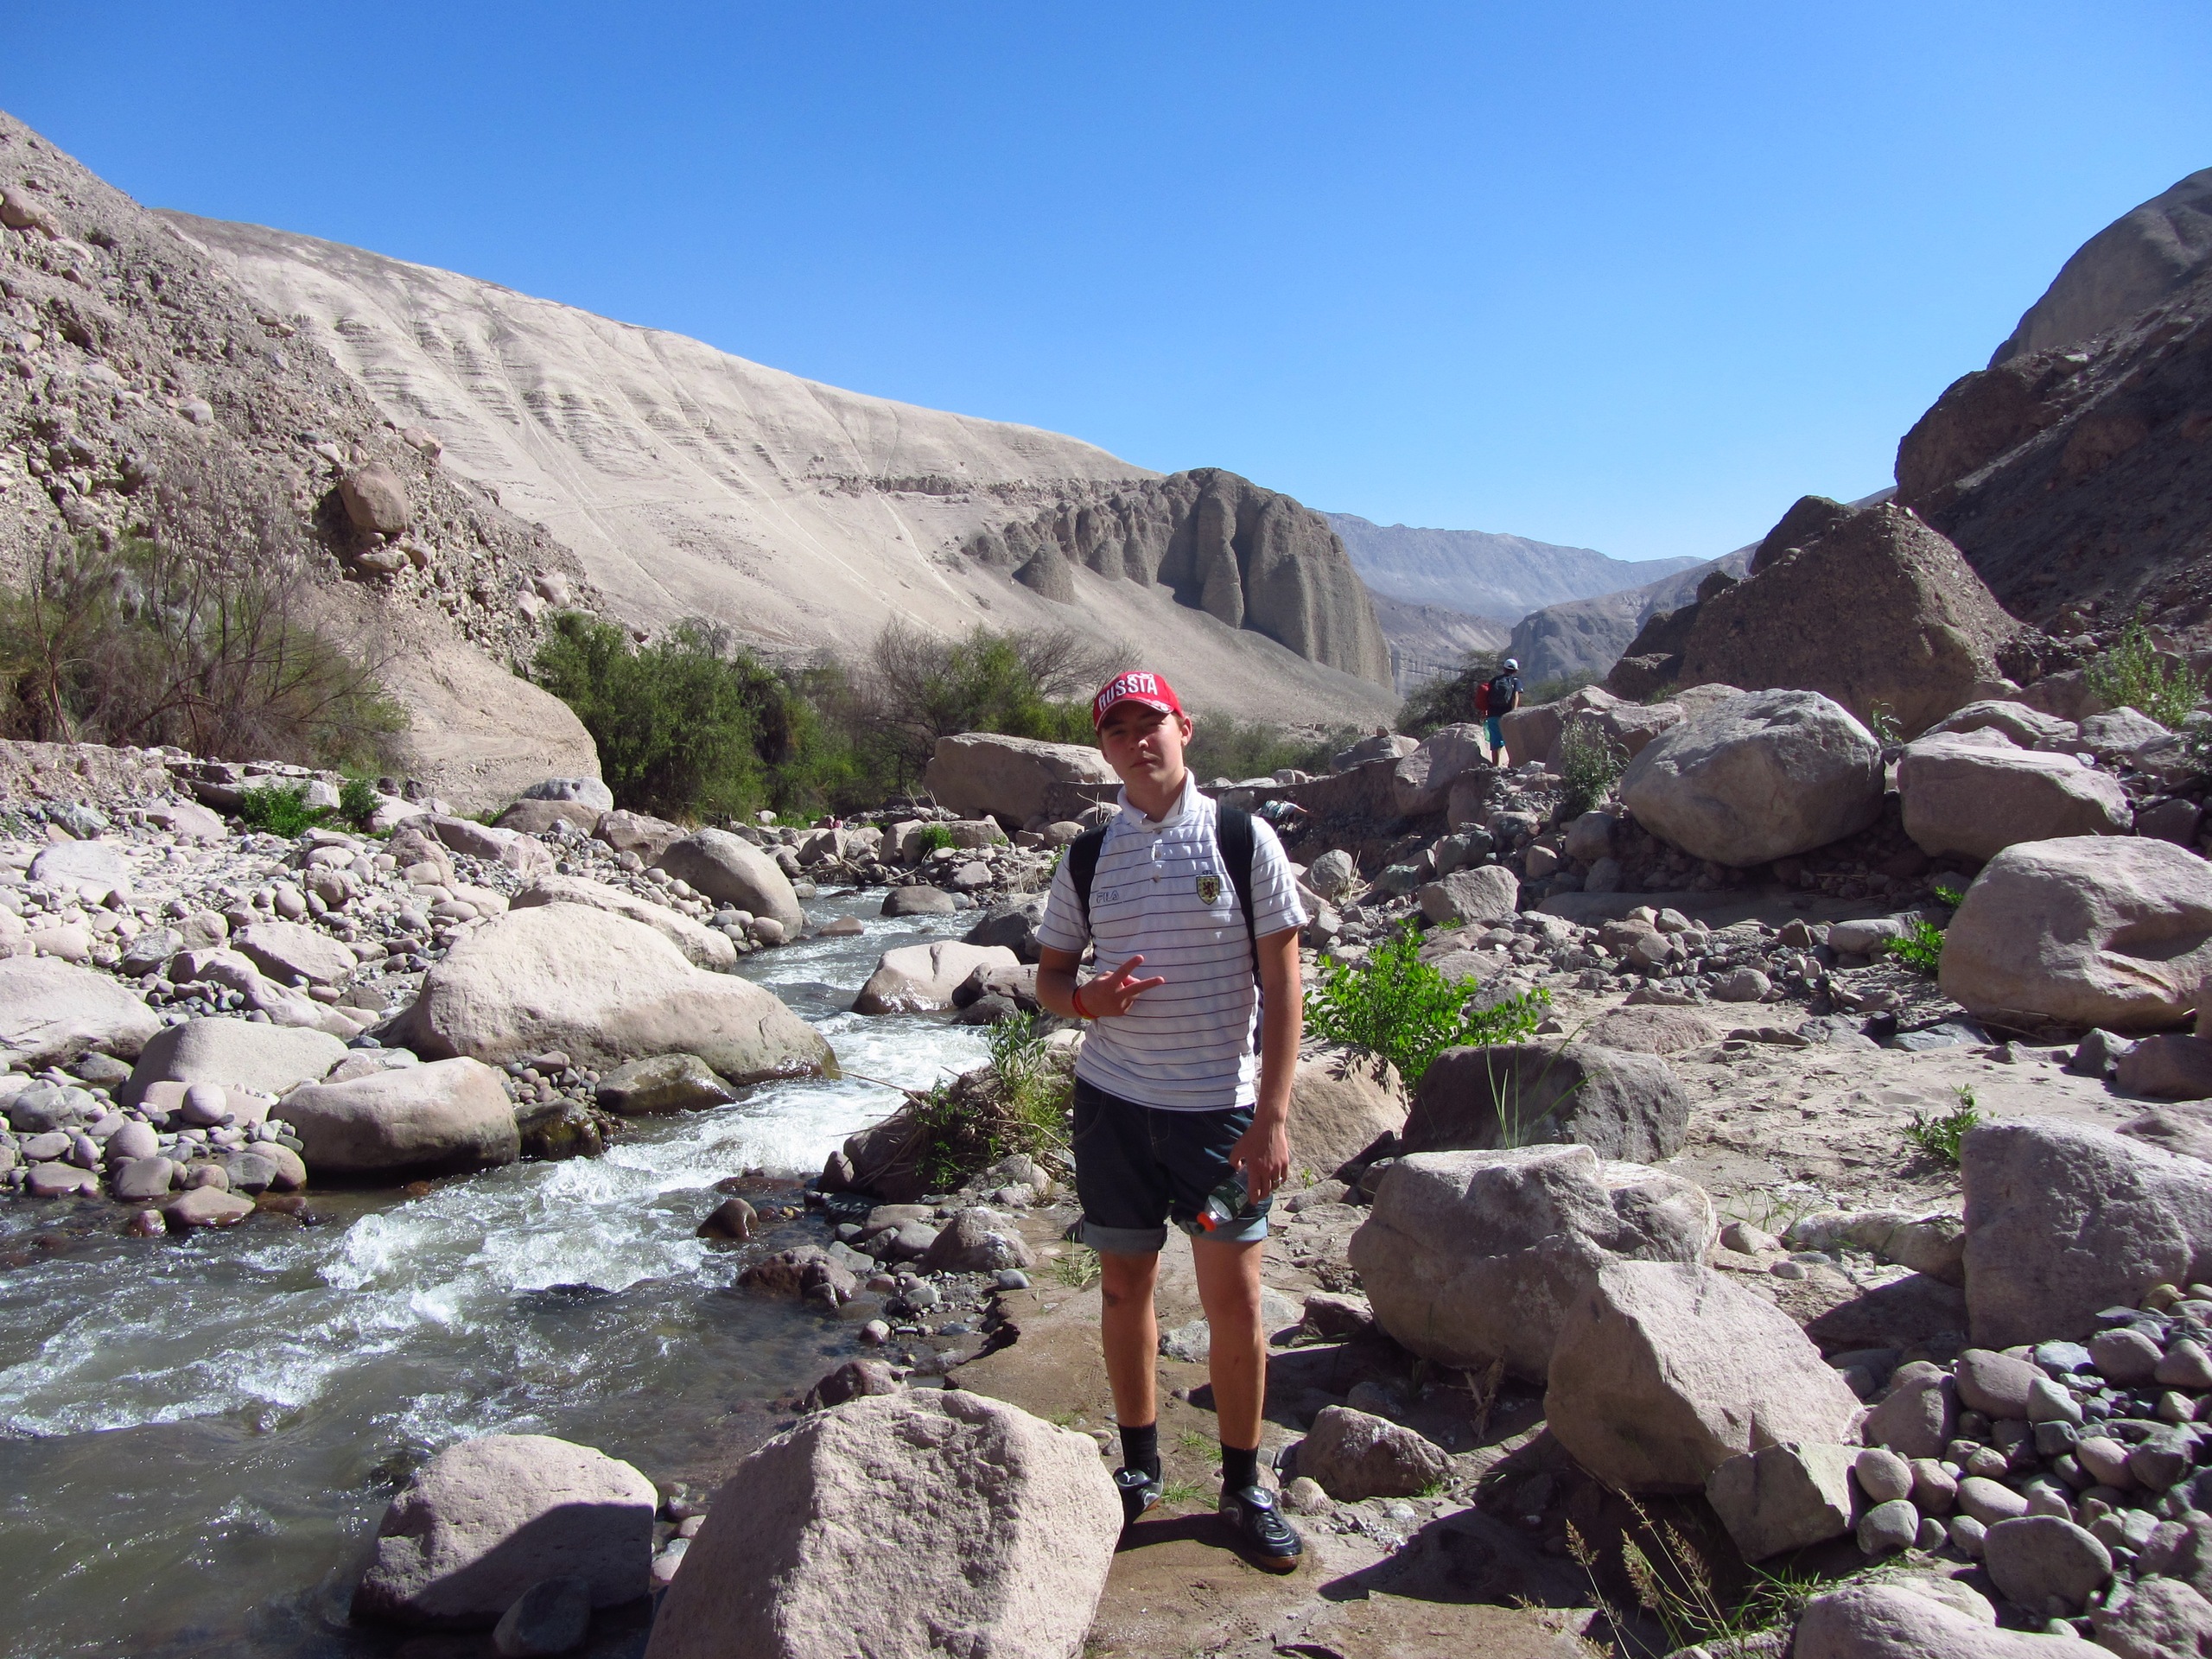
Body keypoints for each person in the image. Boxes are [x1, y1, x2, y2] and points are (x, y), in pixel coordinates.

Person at [1033, 670, 1309, 1571]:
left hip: (1217, 1117)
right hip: (1113, 1110)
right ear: (1104, 750)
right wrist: (1088, 1001)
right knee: (1123, 1290)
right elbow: (1048, 980)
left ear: (1184, 727)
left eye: (1149, 723)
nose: (1136, 742)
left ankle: (1244, 1486)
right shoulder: (1089, 855)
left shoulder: (1241, 838)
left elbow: (1284, 985)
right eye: (1117, 731)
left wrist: (1273, 1116)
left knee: (1236, 1301)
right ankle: (1139, 1467)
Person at [1484, 657, 1523, 766]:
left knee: (1495, 740)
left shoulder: (1494, 680)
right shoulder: (1516, 681)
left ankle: (1495, 767)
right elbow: (1515, 696)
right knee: (1511, 740)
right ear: (1515, 670)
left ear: (1504, 669)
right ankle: (1512, 765)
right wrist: (1513, 712)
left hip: (1492, 714)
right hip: (1506, 715)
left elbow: (1487, 696)